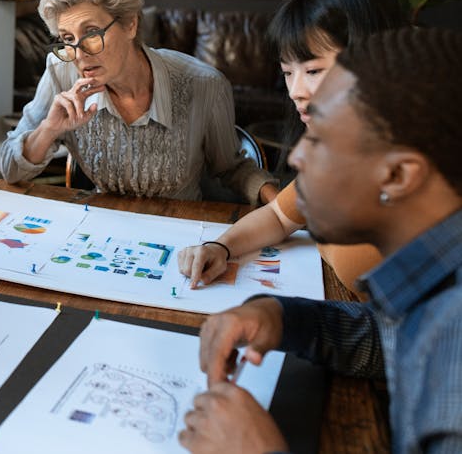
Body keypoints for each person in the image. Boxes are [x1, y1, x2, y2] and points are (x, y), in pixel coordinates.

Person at [179, 26, 462, 454]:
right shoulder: (433, 292)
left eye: (320, 139)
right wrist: (283, 317)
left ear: (398, 175)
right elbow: (391, 338)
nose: (296, 157)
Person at [177, 0, 406, 294]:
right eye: (287, 72)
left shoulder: (416, 170)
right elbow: (279, 217)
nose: (296, 91)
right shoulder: (335, 148)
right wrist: (221, 247)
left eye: (313, 70)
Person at [0, 0, 277, 204]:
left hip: (182, 229)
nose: (79, 55)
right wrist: (48, 129)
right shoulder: (61, 73)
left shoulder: (204, 84)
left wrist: (282, 207)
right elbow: (10, 169)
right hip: (100, 230)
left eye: (92, 33)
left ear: (130, 24)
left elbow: (231, 168)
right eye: (68, 39)